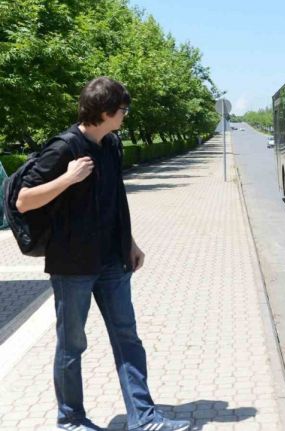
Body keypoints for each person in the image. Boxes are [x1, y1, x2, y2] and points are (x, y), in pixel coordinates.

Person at [15, 77, 190, 431]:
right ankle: (70, 419)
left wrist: (130, 242)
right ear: (107, 111)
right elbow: (23, 200)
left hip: (112, 261)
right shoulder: (64, 148)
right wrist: (67, 178)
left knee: (128, 338)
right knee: (72, 345)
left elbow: (115, 201)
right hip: (73, 265)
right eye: (123, 110)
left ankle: (143, 418)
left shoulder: (111, 144)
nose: (125, 116)